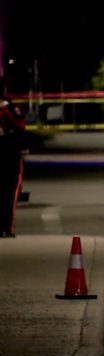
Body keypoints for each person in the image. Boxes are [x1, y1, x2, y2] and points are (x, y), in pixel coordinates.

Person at [0, 78, 27, 238]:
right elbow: (20, 127)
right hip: (9, 153)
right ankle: (7, 227)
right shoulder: (10, 108)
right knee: (9, 191)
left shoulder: (9, 108)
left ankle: (4, 226)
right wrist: (23, 148)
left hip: (8, 152)